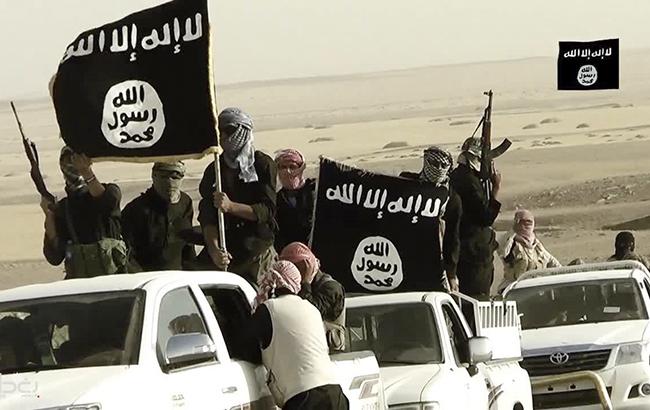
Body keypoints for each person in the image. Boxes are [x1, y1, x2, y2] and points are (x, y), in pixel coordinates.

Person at [251, 260, 348, 410]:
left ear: (271, 281)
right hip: (336, 394)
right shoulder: (311, 308)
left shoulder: (268, 310)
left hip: (304, 399)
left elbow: (247, 346)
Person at [198, 108, 278, 284]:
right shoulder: (215, 169)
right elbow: (207, 213)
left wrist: (231, 207)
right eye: (220, 131)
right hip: (226, 251)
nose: (223, 136)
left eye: (229, 130)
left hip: (256, 252)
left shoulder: (262, 165)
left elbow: (266, 211)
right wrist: (214, 249)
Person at [41, 146, 127, 278]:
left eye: (75, 160)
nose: (71, 165)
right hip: (82, 283)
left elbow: (107, 201)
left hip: (114, 278)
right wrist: (49, 215)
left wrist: (87, 173)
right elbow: (55, 257)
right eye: (67, 161)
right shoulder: (64, 208)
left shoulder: (110, 192)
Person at [400, 146, 462, 292]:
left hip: (434, 261)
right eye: (434, 163)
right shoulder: (408, 184)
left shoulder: (451, 199)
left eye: (443, 165)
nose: (438, 169)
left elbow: (452, 238)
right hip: (405, 256)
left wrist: (451, 274)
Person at [450, 137, 501, 298]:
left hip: (465, 250)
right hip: (474, 254)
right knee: (476, 300)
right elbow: (486, 217)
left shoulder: (458, 176)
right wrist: (496, 188)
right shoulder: (469, 181)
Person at [121, 161, 195, 271]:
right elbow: (127, 253)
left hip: (178, 275)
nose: (169, 182)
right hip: (147, 275)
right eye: (164, 177)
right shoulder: (137, 208)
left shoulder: (185, 203)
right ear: (154, 176)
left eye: (175, 177)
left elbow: (188, 245)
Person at [279, 242, 346, 351]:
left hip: (327, 354)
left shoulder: (331, 287)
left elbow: (310, 313)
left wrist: (306, 282)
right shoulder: (295, 287)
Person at [497, 209, 561, 292]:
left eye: (529, 222)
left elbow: (553, 263)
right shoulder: (511, 241)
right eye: (522, 222)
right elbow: (502, 252)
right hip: (513, 289)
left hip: (534, 289)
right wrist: (513, 232)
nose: (526, 225)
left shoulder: (537, 245)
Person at [274, 149, 316, 251]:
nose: (287, 171)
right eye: (283, 167)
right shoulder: (277, 199)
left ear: (301, 168)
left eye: (292, 167)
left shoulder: (315, 189)